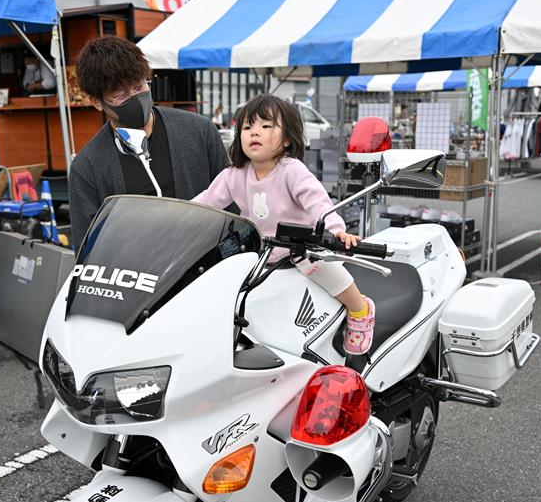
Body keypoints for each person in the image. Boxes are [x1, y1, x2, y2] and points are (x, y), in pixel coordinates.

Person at [193, 94, 376, 354]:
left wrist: (337, 230)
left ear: (287, 139)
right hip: (259, 253)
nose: (255, 132)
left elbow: (319, 203)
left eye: (266, 126)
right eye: (247, 127)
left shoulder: (292, 170)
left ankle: (360, 309)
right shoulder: (233, 175)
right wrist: (176, 216)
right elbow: (204, 203)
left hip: (300, 249)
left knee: (327, 271)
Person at [68, 36, 228, 247]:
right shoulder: (88, 167)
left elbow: (233, 200)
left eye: (139, 86)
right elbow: (88, 247)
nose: (135, 98)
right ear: (97, 102)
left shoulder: (199, 131)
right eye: (122, 95)